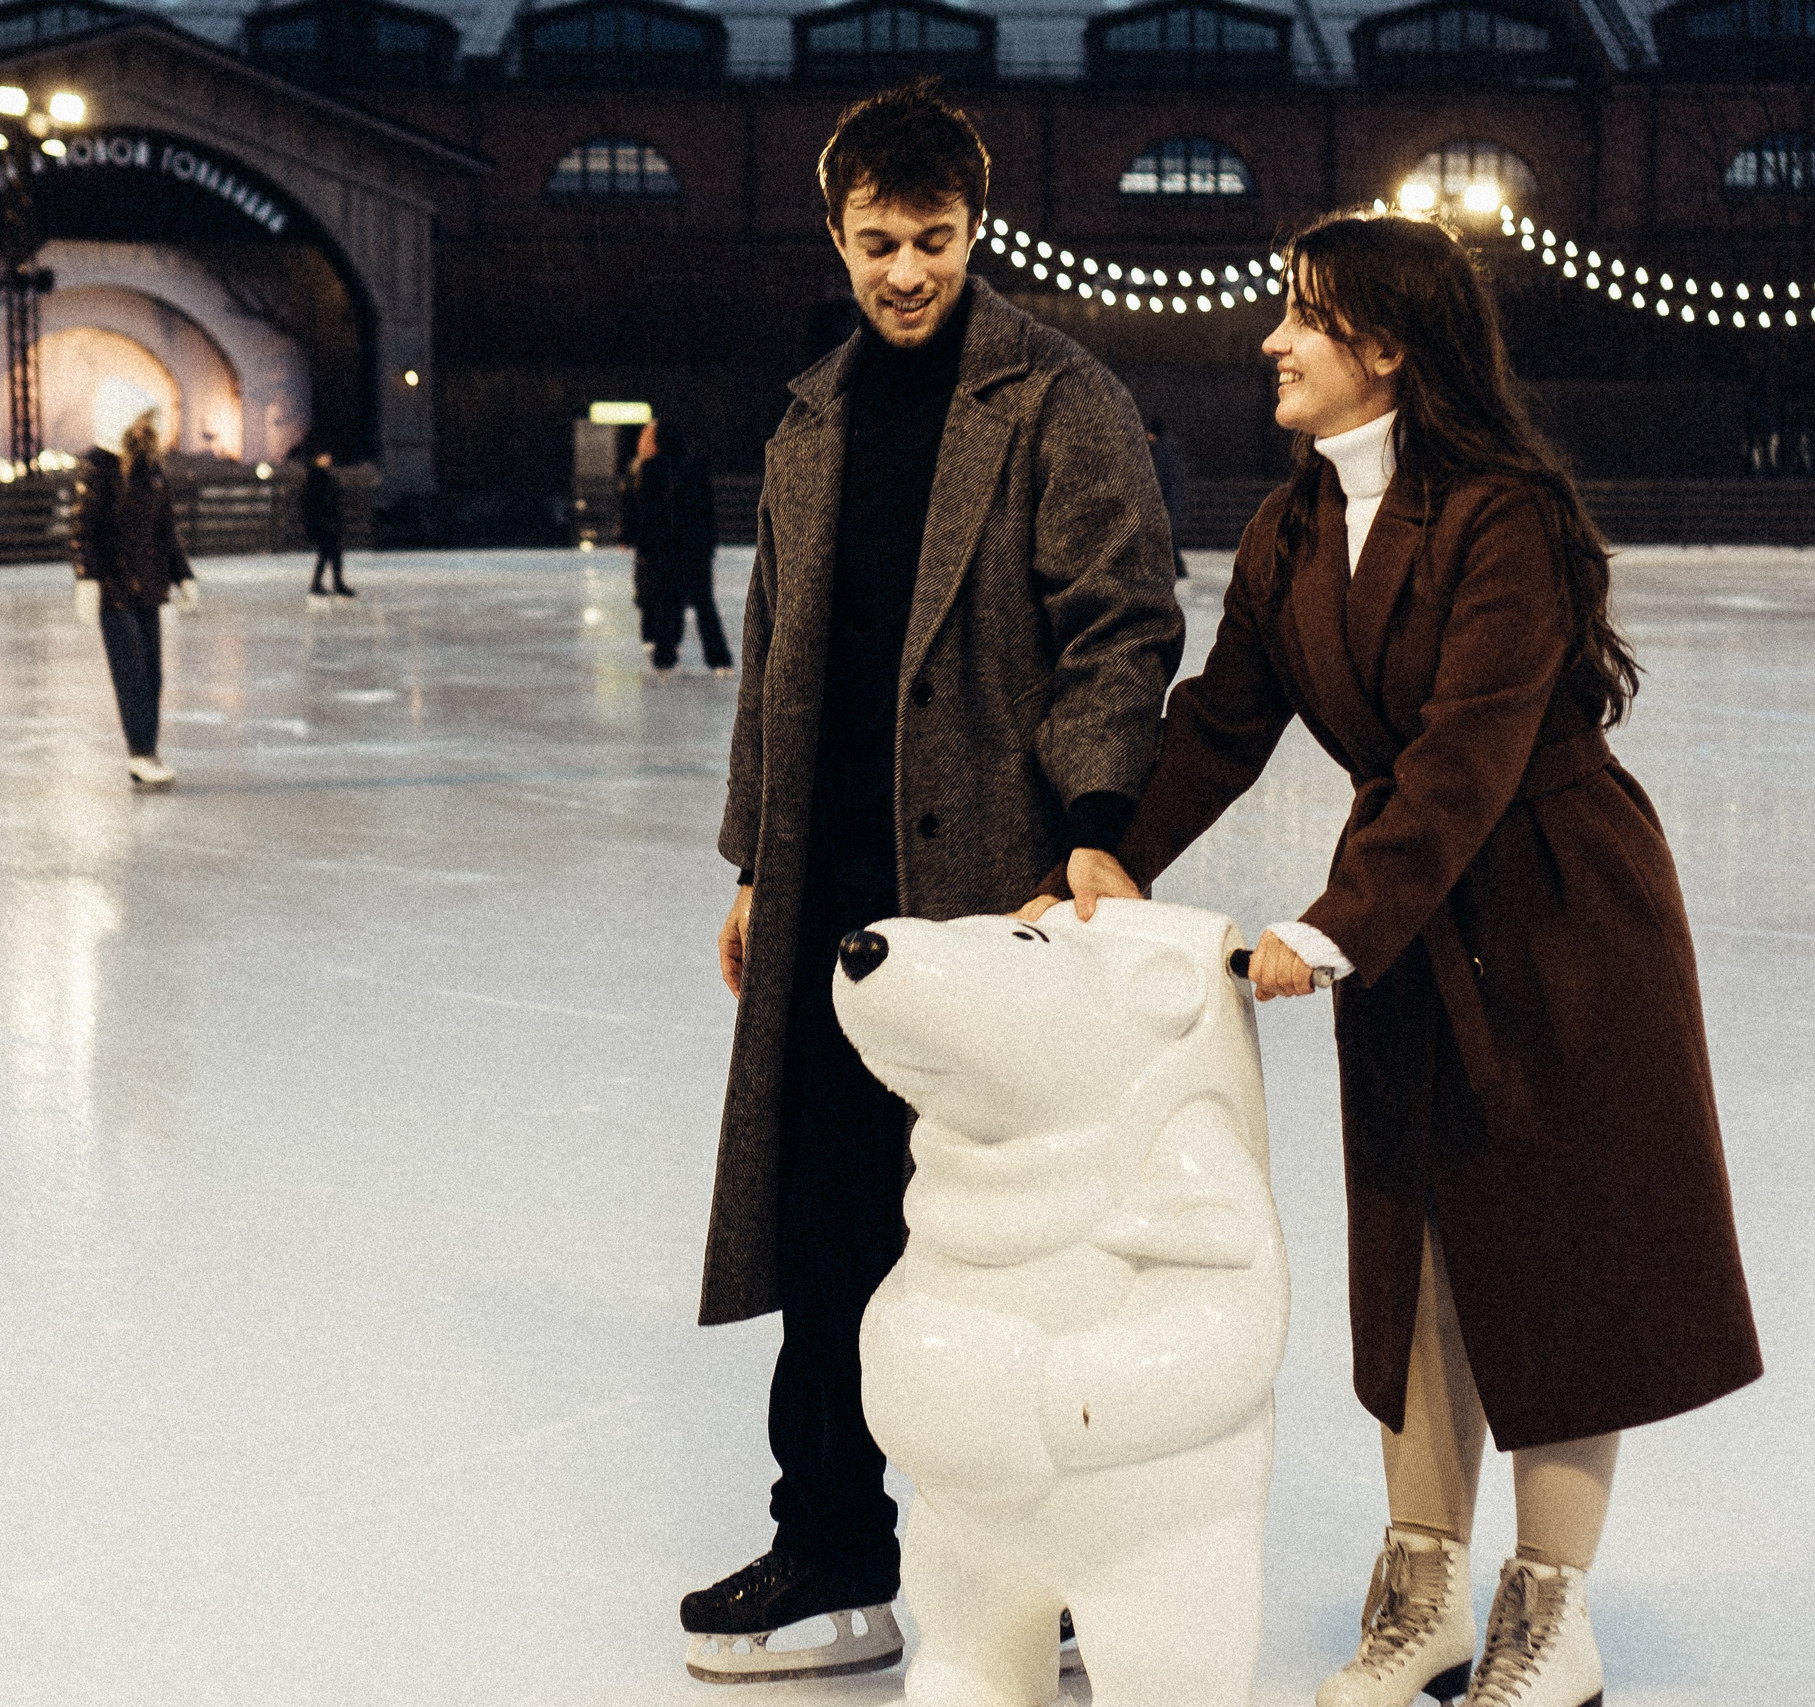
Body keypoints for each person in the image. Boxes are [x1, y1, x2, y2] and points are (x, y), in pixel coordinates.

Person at [1034, 211, 1761, 1707]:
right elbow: (1223, 719)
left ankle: (1551, 1616)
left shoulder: (1507, 517)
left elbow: (1465, 756)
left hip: (1559, 911)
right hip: (1415, 918)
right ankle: (1422, 1589)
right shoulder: (1293, 524)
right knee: (1417, 1252)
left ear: (1389, 347)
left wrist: (1328, 927)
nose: (1272, 342)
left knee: (1558, 1260)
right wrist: (1114, 851)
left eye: (1304, 317)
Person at [685, 79, 1184, 1683]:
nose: (908, 271)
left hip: (998, 896)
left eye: (938, 240)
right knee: (831, 1223)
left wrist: (1097, 817)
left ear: (979, 231)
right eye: (881, 241)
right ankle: (833, 1539)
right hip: (831, 901)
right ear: (837, 233)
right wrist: (759, 854)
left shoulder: (1057, 394)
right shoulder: (813, 412)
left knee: (1016, 1242)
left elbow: (1124, 618)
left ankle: (1056, 1580)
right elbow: (773, 650)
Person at [73, 411, 197, 790]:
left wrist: (183, 575)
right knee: (132, 674)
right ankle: (140, 753)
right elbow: (83, 527)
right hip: (115, 587)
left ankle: (147, 753)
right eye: (137, 421)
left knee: (153, 676)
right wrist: (87, 578)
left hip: (149, 586)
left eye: (148, 422)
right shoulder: (98, 467)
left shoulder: (151, 470)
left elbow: (165, 531)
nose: (144, 429)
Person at [624, 418, 734, 674]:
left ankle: (667, 657)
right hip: (690, 547)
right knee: (699, 603)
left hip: (673, 548)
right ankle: (716, 659)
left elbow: (647, 512)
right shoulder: (692, 467)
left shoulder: (653, 469)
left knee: (673, 602)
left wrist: (642, 542)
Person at [1147, 415, 1193, 578]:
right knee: (1168, 536)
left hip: (1168, 502)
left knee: (1167, 536)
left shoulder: (1161, 451)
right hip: (1174, 500)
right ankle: (1176, 568)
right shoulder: (1170, 449)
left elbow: (1161, 476)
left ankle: (1177, 568)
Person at [303, 449, 352, 598]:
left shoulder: (324, 476)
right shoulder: (317, 478)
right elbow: (317, 503)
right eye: (324, 457)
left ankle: (332, 583)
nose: (328, 459)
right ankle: (325, 584)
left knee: (331, 554)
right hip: (323, 523)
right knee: (328, 553)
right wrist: (324, 520)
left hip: (328, 522)